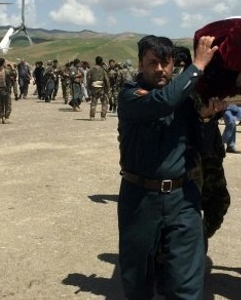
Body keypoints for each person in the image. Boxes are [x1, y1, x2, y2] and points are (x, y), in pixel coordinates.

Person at [117, 34, 219, 299]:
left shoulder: (184, 98)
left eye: (166, 62)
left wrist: (207, 120)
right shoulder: (130, 95)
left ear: (174, 64)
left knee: (185, 281)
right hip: (140, 199)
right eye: (152, 63)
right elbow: (163, 102)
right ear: (140, 64)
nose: (160, 69)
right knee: (137, 277)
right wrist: (197, 65)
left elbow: (204, 149)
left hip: (181, 198)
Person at [87, 56, 111, 120]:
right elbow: (106, 79)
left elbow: (88, 79)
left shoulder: (91, 70)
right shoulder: (103, 70)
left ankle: (92, 116)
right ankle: (103, 116)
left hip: (94, 87)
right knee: (104, 102)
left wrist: (89, 87)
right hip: (101, 88)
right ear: (101, 61)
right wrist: (108, 88)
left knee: (93, 102)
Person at [0, 57, 12, 124]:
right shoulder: (6, 71)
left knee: (0, 104)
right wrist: (11, 67)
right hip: (6, 89)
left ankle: (1, 118)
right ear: (3, 63)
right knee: (7, 104)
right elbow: (14, 74)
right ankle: (6, 118)